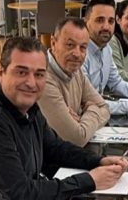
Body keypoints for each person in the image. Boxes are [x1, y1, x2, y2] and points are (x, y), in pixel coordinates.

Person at [0, 35, 128, 200]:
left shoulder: (27, 106)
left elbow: (54, 148)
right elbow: (22, 195)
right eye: (21, 72)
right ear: (0, 72)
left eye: (39, 74)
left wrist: (98, 161)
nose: (31, 83)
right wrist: (89, 181)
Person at [37, 17, 111, 147]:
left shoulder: (76, 71)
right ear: (53, 43)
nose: (77, 54)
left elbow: (104, 108)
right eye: (70, 45)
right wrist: (93, 110)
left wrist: (83, 118)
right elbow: (77, 139)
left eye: (83, 47)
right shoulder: (42, 78)